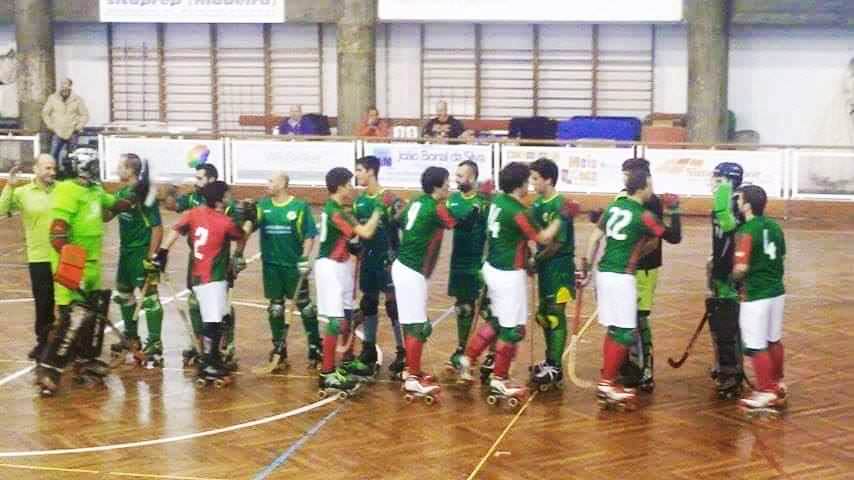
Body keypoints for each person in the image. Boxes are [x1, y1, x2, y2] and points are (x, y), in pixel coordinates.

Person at [456, 162, 566, 404]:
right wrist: (562, 217)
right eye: (527, 181)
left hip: (493, 268)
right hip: (508, 273)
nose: (529, 185)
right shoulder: (517, 211)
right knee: (513, 329)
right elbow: (543, 238)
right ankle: (500, 379)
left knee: (497, 321)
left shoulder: (497, 201)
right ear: (520, 184)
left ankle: (468, 358)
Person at [35, 149, 141, 395]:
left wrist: (139, 192)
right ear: (83, 166)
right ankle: (49, 372)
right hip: (72, 267)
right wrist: (74, 271)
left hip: (92, 265)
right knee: (70, 320)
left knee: (91, 316)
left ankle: (85, 361)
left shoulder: (94, 190)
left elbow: (115, 205)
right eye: (93, 164)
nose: (97, 168)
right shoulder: (66, 191)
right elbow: (58, 234)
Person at [580, 167, 678, 409]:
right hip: (622, 277)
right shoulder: (644, 215)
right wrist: (674, 210)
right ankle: (607, 384)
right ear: (643, 188)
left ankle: (608, 380)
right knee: (625, 332)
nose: (653, 191)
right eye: (651, 186)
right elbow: (673, 237)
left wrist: (585, 268)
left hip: (603, 272)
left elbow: (594, 238)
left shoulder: (613, 208)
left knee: (614, 329)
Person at [154, 181, 247, 385]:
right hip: (213, 277)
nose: (230, 196)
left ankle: (212, 359)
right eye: (227, 194)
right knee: (212, 322)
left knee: (216, 319)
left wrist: (162, 253)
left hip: (196, 275)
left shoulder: (194, 213)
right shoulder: (224, 222)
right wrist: (248, 222)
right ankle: (208, 364)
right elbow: (240, 235)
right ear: (220, 199)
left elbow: (176, 230)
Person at [244, 172, 321, 372]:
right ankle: (279, 348)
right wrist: (244, 218)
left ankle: (315, 347)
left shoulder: (299, 207)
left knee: (306, 307)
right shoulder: (262, 206)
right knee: (276, 308)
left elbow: (309, 235)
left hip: (293, 266)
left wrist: (305, 257)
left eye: (270, 181)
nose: (267, 184)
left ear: (283, 184)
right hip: (271, 267)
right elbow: (248, 229)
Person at [391, 166, 457, 400]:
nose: (450, 186)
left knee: (413, 325)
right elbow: (457, 223)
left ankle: (413, 371)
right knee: (419, 327)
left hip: (403, 266)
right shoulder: (436, 207)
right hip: (411, 271)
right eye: (447, 183)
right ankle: (411, 380)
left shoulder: (417, 201)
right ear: (438, 186)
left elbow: (397, 220)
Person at [617, 157, 682, 392]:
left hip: (644, 268)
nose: (623, 179)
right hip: (625, 270)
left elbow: (655, 240)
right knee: (624, 318)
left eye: (627, 174)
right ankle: (627, 364)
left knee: (639, 318)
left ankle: (645, 369)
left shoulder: (650, 203)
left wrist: (632, 259)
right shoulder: (624, 198)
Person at [316, 167, 382, 395]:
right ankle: (326, 373)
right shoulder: (335, 210)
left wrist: (351, 244)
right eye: (349, 184)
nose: (352, 188)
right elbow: (365, 232)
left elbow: (352, 237)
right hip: (330, 267)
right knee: (335, 322)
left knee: (350, 316)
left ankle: (346, 360)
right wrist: (378, 210)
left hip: (343, 264)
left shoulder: (340, 209)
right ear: (341, 186)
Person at [732, 184, 787, 412]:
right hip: (777, 292)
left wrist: (731, 279)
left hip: (755, 294)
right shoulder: (775, 227)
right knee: (773, 339)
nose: (736, 203)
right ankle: (778, 382)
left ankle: (766, 392)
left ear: (747, 205)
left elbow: (741, 267)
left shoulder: (746, 230)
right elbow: (781, 256)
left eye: (738, 200)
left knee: (755, 345)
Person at [108, 154, 165, 368]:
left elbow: (157, 227)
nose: (117, 169)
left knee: (149, 299)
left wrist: (152, 256)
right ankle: (131, 338)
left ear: (130, 170)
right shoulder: (123, 194)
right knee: (124, 295)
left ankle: (155, 344)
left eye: (120, 166)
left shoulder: (145, 196)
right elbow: (106, 216)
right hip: (125, 254)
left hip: (141, 253)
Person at [352, 156, 406, 378]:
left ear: (371, 171)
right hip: (368, 259)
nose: (357, 175)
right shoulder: (360, 201)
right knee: (368, 303)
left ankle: (403, 351)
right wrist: (354, 244)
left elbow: (405, 223)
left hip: (388, 260)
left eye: (360, 170)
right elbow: (359, 229)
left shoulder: (389, 198)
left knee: (393, 306)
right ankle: (368, 349)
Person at [528, 158, 579, 390]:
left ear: (548, 179)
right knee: (544, 315)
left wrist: (535, 259)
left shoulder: (562, 205)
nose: (532, 183)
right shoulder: (537, 205)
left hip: (559, 267)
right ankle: (550, 360)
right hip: (545, 267)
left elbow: (557, 244)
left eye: (536, 178)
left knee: (556, 315)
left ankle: (556, 366)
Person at [0, 154, 56, 361]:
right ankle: (43, 343)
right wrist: (10, 186)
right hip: (39, 257)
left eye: (53, 168)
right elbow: (1, 209)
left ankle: (67, 345)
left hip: (64, 256)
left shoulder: (62, 190)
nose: (52, 172)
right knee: (43, 303)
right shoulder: (23, 193)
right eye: (47, 168)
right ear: (36, 169)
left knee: (68, 303)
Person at [444, 160, 493, 378]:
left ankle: (492, 354)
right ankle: (462, 348)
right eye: (456, 175)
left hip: (479, 262)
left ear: (472, 178)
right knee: (463, 308)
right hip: (459, 262)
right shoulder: (452, 200)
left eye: (461, 176)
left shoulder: (485, 201)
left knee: (487, 310)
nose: (456, 179)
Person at [707, 162, 746, 399]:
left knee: (728, 324)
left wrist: (722, 194)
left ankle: (732, 371)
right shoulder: (724, 203)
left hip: (730, 274)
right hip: (719, 270)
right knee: (719, 322)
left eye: (717, 178)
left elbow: (729, 226)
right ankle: (723, 364)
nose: (713, 182)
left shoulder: (732, 205)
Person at [41, 78, 89, 174]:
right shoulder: (52, 98)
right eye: (62, 84)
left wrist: (78, 127)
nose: (64, 86)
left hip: (72, 132)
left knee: (72, 156)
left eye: (66, 84)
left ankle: (72, 175)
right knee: (53, 155)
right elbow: (45, 113)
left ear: (70, 86)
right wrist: (51, 126)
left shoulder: (78, 99)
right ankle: (55, 174)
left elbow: (85, 115)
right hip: (57, 132)